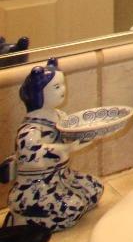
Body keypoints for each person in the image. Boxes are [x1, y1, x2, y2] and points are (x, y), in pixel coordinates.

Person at [7, 60, 104, 230]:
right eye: (57, 87)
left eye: (63, 85)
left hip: (63, 178)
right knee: (73, 208)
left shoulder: (59, 116)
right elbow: (33, 157)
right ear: (39, 94)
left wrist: (88, 136)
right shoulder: (30, 131)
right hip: (38, 188)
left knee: (95, 189)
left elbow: (70, 140)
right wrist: (66, 149)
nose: (63, 90)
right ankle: (25, 218)